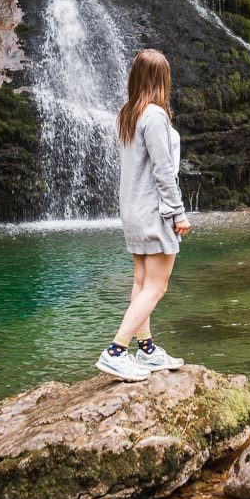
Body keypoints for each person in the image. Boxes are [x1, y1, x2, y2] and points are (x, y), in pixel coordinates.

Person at [96, 48, 191, 381]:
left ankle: (147, 350)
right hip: (154, 213)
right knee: (157, 287)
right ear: (161, 80)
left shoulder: (129, 113)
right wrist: (178, 213)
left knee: (141, 282)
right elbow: (164, 172)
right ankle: (116, 351)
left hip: (132, 211)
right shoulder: (154, 116)